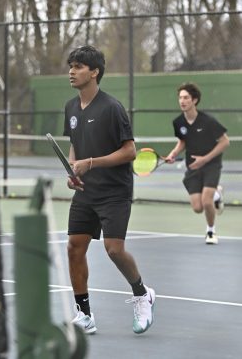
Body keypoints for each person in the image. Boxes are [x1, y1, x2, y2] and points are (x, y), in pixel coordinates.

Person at [63, 45, 155, 335]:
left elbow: (130, 151)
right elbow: (74, 145)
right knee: (74, 247)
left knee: (114, 250)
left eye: (78, 67)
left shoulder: (112, 108)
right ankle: (85, 314)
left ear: (94, 72)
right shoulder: (71, 107)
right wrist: (73, 169)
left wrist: (90, 163)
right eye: (71, 66)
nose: (72, 72)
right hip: (86, 191)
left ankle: (142, 294)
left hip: (114, 191)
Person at [165, 82, 230, 245]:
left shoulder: (208, 121)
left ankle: (210, 231)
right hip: (193, 166)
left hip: (211, 164)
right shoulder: (178, 122)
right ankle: (217, 193)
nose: (182, 101)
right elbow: (182, 142)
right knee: (197, 207)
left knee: (207, 202)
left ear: (194, 100)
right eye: (180, 98)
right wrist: (173, 154)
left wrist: (206, 159)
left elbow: (225, 142)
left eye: (186, 97)